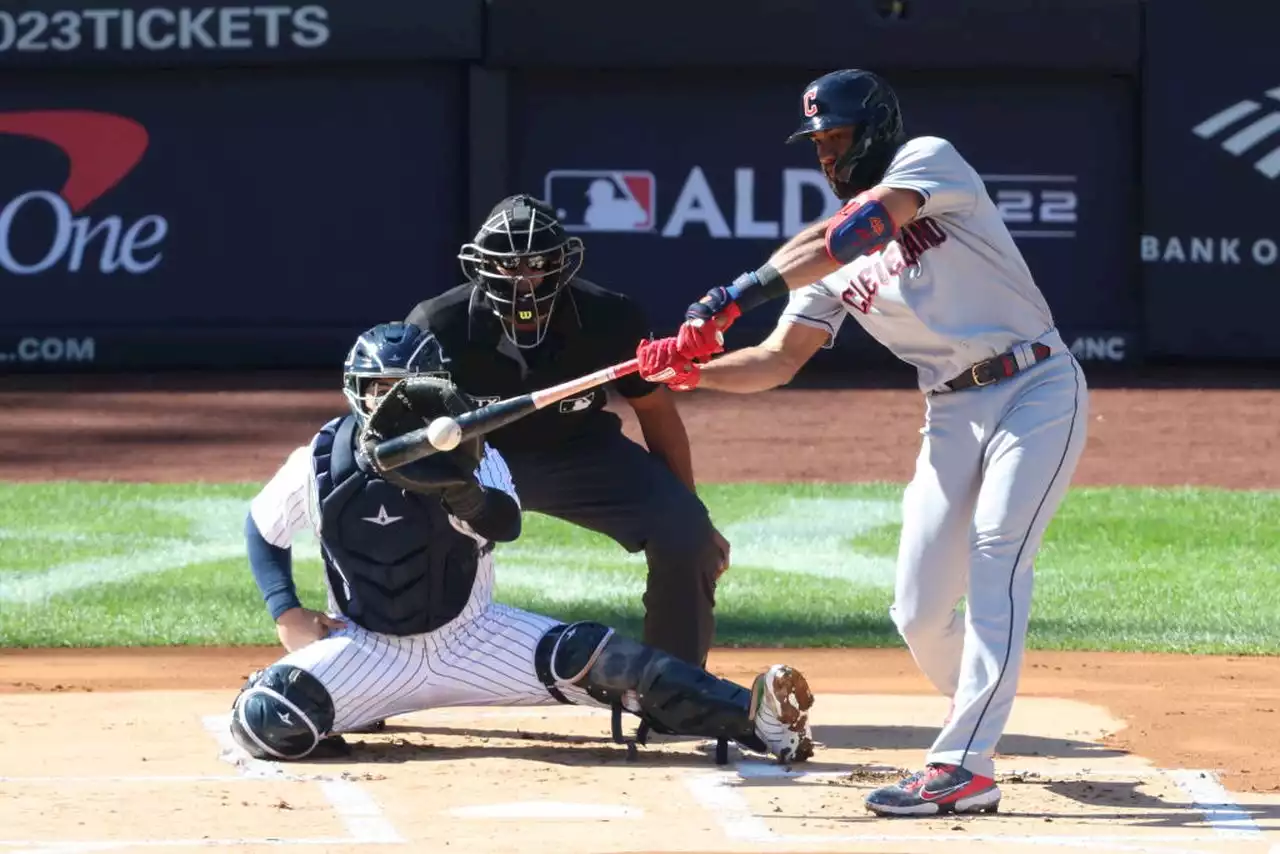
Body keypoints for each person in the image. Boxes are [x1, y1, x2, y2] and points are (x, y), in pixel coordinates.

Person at [635, 68, 1089, 817]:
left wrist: (729, 298)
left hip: (1035, 388)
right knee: (916, 611)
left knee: (997, 551)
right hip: (950, 412)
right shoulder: (830, 257)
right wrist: (694, 374)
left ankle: (964, 763)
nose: (825, 153)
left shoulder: (928, 162)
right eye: (818, 141)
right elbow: (778, 361)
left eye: (836, 137)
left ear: (875, 129)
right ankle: (976, 711)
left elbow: (861, 226)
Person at [227, 321, 814, 766]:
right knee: (263, 722)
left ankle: (759, 720)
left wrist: (462, 491)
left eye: (405, 391)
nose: (392, 404)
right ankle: (360, 708)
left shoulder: (473, 451)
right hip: (370, 647)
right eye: (379, 390)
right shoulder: (321, 462)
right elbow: (262, 528)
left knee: (603, 657)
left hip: (475, 637)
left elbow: (505, 522)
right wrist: (286, 611)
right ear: (357, 393)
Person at [405, 194, 729, 672]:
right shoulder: (437, 324)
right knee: (391, 528)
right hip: (475, 462)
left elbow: (656, 412)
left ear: (563, 264)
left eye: (538, 264)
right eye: (508, 266)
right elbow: (402, 430)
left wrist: (693, 513)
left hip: (580, 452)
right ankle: (382, 671)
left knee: (686, 533)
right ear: (480, 267)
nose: (524, 280)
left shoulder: (609, 316)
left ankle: (675, 687)